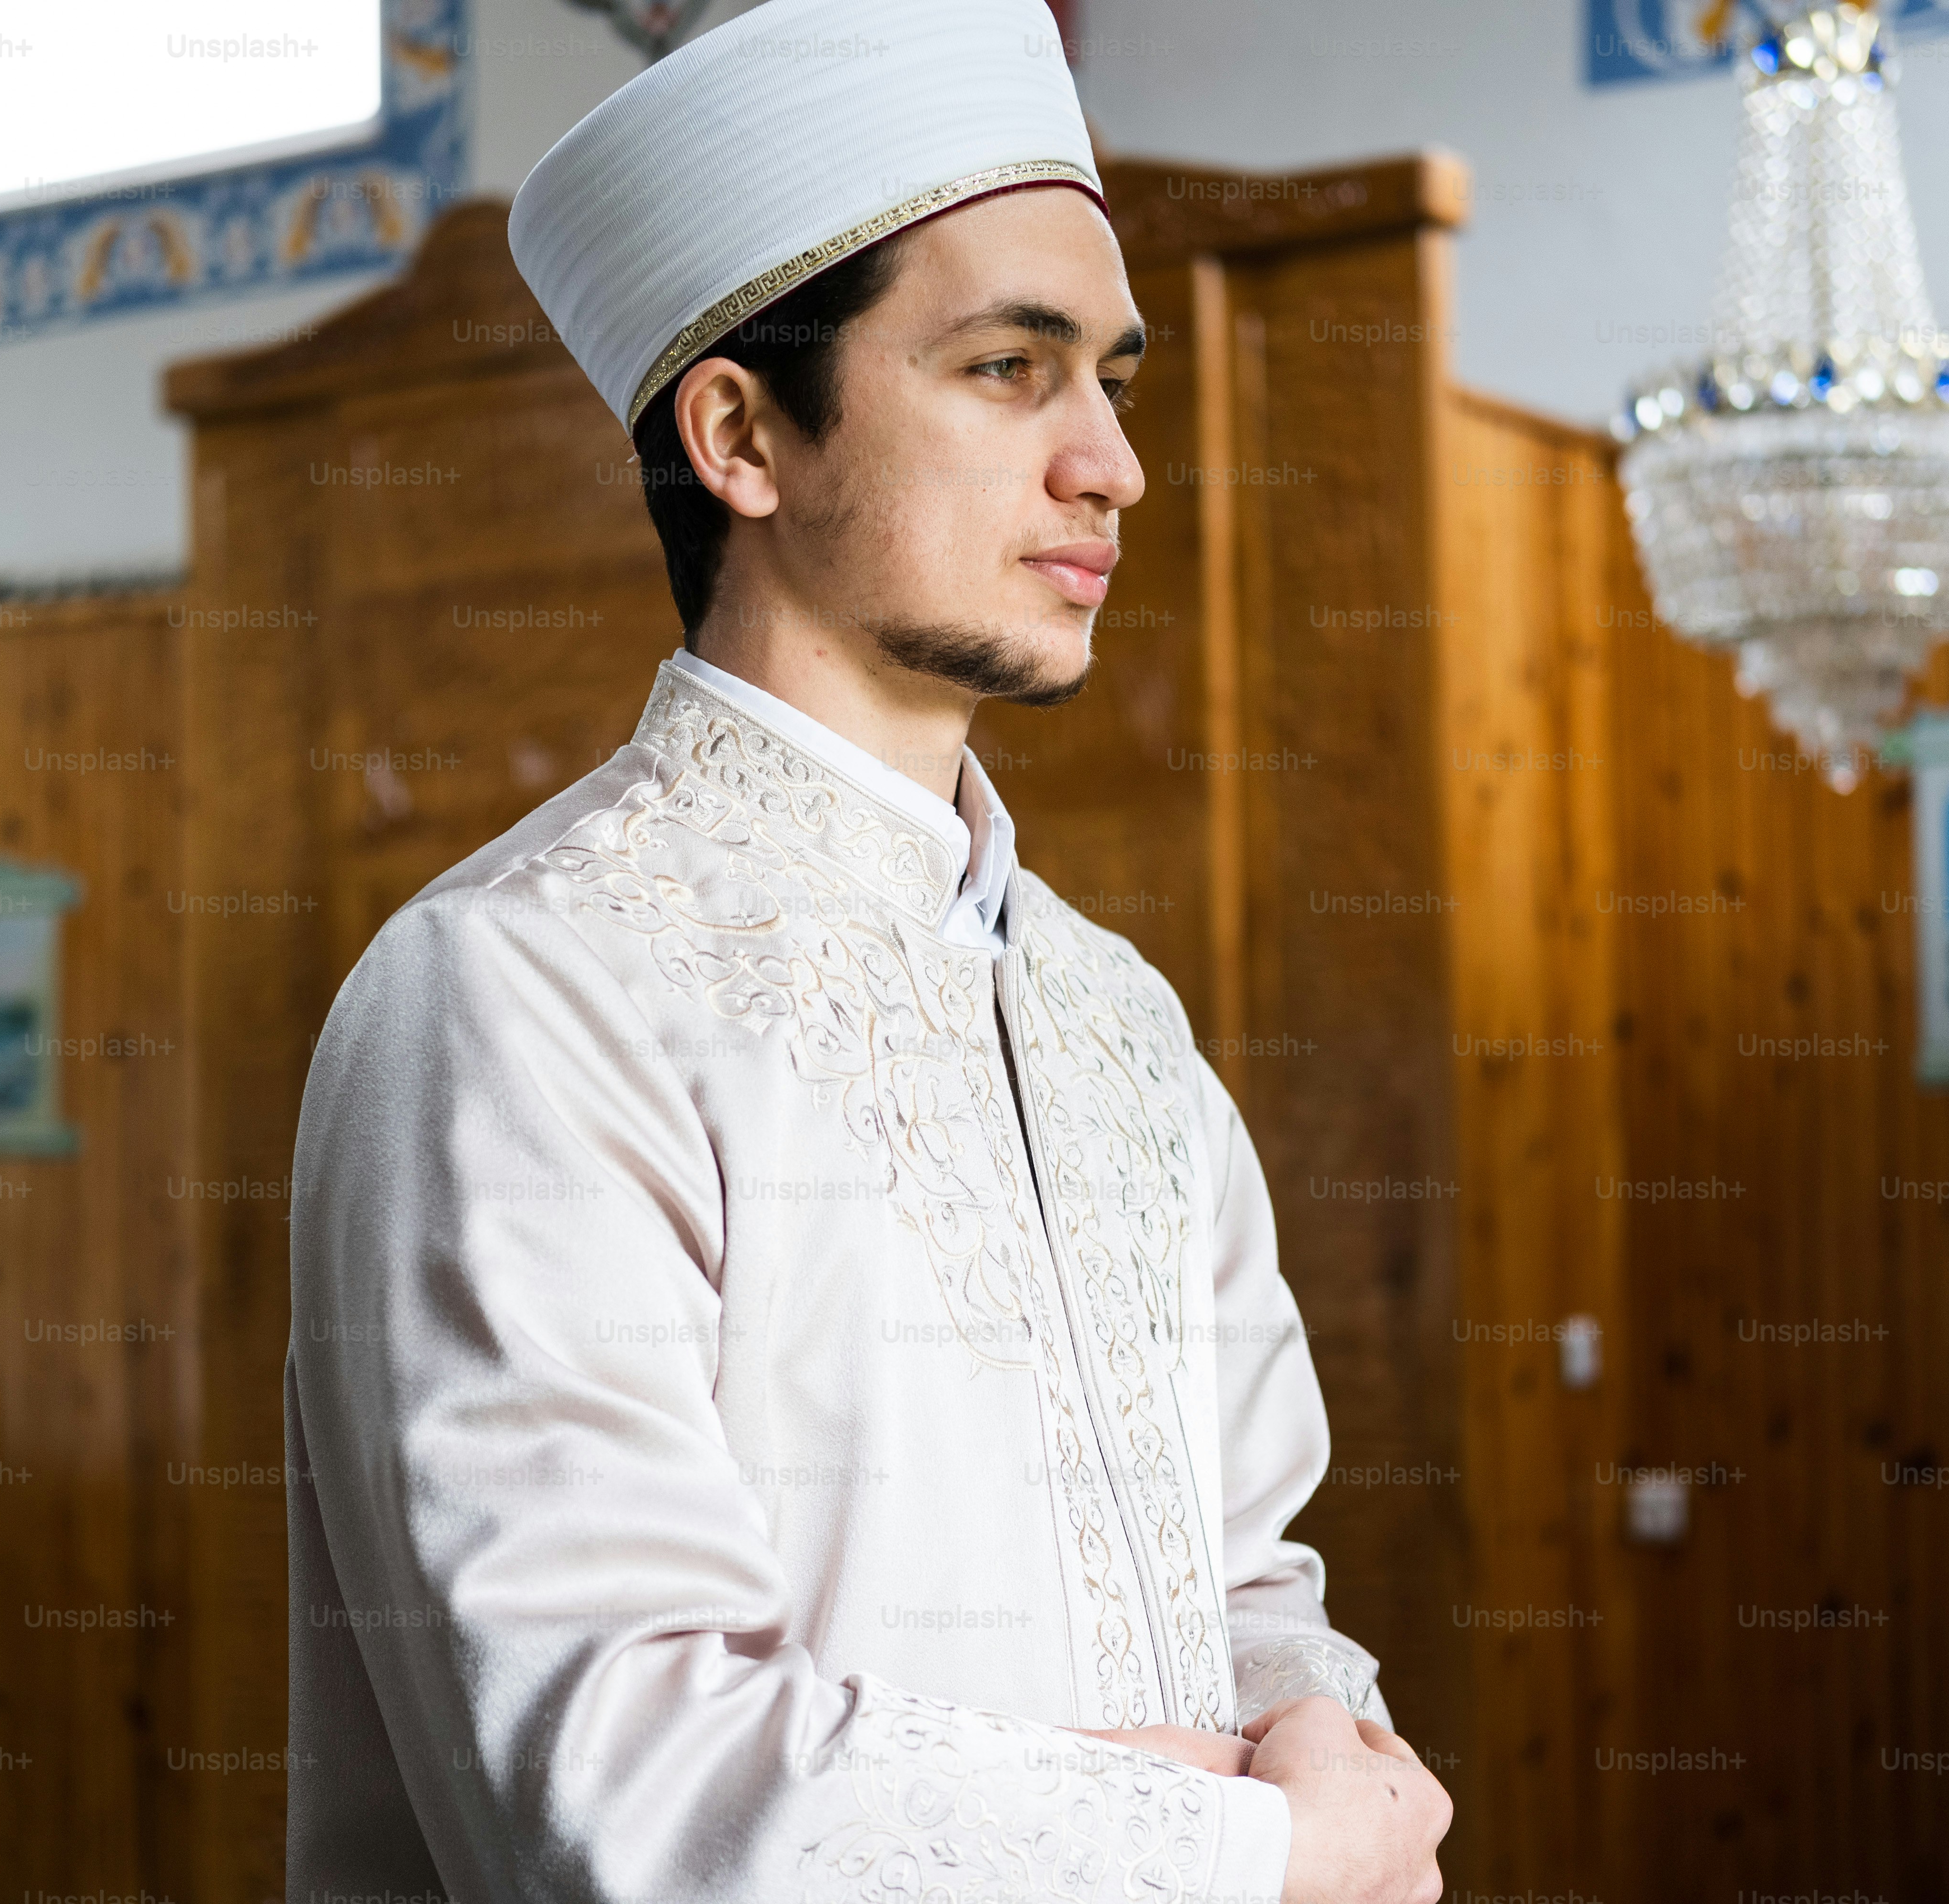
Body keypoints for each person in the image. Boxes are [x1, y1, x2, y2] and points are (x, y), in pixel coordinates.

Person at [284, 2, 1451, 1899]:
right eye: (1010, 369)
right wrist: (1258, 1848)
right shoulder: (521, 992)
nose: (1112, 466)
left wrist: (1323, 1732)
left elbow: (1249, 1575)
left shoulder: (1120, 1021)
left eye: (1118, 380)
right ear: (743, 433)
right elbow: (621, 1781)